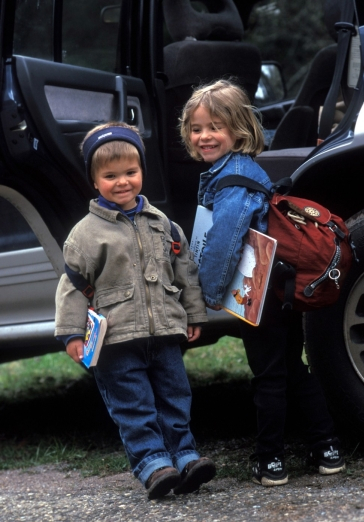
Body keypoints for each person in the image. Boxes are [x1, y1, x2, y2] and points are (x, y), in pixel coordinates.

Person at [179, 79, 345, 486]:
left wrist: (211, 294)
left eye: (214, 127)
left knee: (268, 375)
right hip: (280, 287)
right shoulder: (246, 170)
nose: (204, 137)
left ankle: (269, 459)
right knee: (292, 367)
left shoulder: (232, 180)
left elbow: (224, 242)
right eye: (196, 128)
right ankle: (327, 449)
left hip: (260, 294)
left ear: (238, 130)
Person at [55, 121, 216, 499]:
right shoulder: (85, 234)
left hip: (163, 333)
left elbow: (185, 271)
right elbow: (73, 286)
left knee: (175, 396)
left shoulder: (163, 225)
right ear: (95, 181)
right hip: (116, 339)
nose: (122, 181)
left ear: (142, 171)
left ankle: (186, 456)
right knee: (134, 405)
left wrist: (193, 314)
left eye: (130, 172)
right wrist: (72, 333)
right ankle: (153, 464)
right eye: (111, 175)